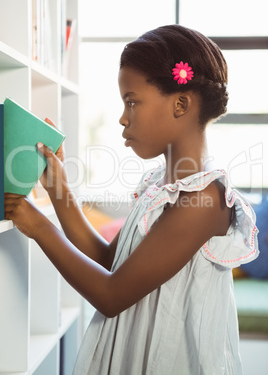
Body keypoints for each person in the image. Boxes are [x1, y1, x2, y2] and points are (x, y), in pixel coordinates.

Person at [4, 25, 259, 375]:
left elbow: (112, 296)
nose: (123, 119)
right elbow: (112, 262)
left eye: (132, 101)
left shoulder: (204, 198)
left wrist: (41, 228)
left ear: (181, 103)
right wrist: (58, 190)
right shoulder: (160, 184)